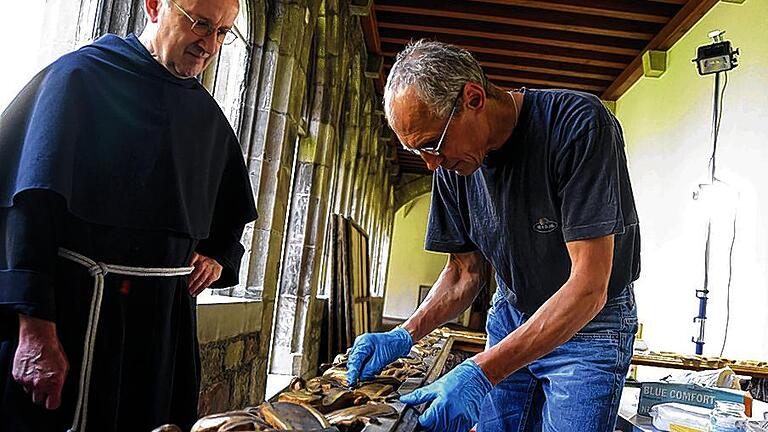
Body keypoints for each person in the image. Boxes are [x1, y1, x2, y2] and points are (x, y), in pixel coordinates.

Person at [346, 40, 640, 432]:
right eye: (419, 153)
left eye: (433, 144)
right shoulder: (452, 167)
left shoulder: (577, 124)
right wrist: (405, 333)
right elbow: (463, 273)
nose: (432, 165)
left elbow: (589, 286)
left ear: (473, 97)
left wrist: (481, 372)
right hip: (512, 310)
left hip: (591, 324)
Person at [0, 0, 257, 430]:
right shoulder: (78, 79)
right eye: (200, 24)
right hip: (76, 320)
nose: (209, 44)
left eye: (222, 33)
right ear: (155, 6)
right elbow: (29, 206)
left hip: (162, 333)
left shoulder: (207, 117)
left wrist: (218, 256)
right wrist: (35, 329)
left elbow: (229, 216)